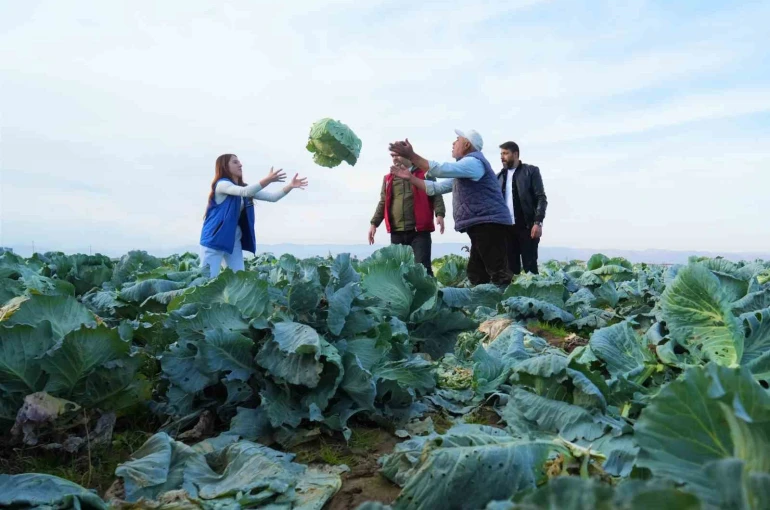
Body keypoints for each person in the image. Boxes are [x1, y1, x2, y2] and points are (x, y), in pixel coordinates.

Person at [389, 130, 513, 287]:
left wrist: (412, 155)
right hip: (482, 225)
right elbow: (437, 188)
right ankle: (488, 299)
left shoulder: (473, 163)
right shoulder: (464, 170)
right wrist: (411, 178)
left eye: (457, 139)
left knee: (497, 271)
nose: (453, 143)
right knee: (477, 273)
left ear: (467, 144)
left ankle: (505, 299)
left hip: (489, 224)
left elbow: (440, 170)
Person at [199, 153, 307, 277]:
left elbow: (273, 197)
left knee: (238, 278)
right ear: (224, 166)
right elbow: (246, 192)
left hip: (233, 238)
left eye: (239, 162)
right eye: (235, 162)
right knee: (207, 279)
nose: (240, 164)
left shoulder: (242, 188)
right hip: (214, 239)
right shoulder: (222, 185)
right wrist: (268, 180)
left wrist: (290, 186)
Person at [368, 155, 446, 275]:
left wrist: (439, 214)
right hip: (397, 232)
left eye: (397, 155)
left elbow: (436, 194)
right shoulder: (388, 179)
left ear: (407, 154)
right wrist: (374, 224)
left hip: (419, 232)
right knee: (399, 271)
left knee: (423, 268)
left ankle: (429, 288)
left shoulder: (425, 174)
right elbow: (383, 202)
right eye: (392, 156)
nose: (394, 158)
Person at [497, 141, 547, 275]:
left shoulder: (531, 171)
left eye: (505, 153)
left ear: (515, 154)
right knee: (510, 271)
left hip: (527, 228)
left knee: (530, 270)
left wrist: (538, 222)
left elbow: (541, 198)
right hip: (506, 230)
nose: (502, 157)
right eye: (501, 154)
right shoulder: (498, 177)